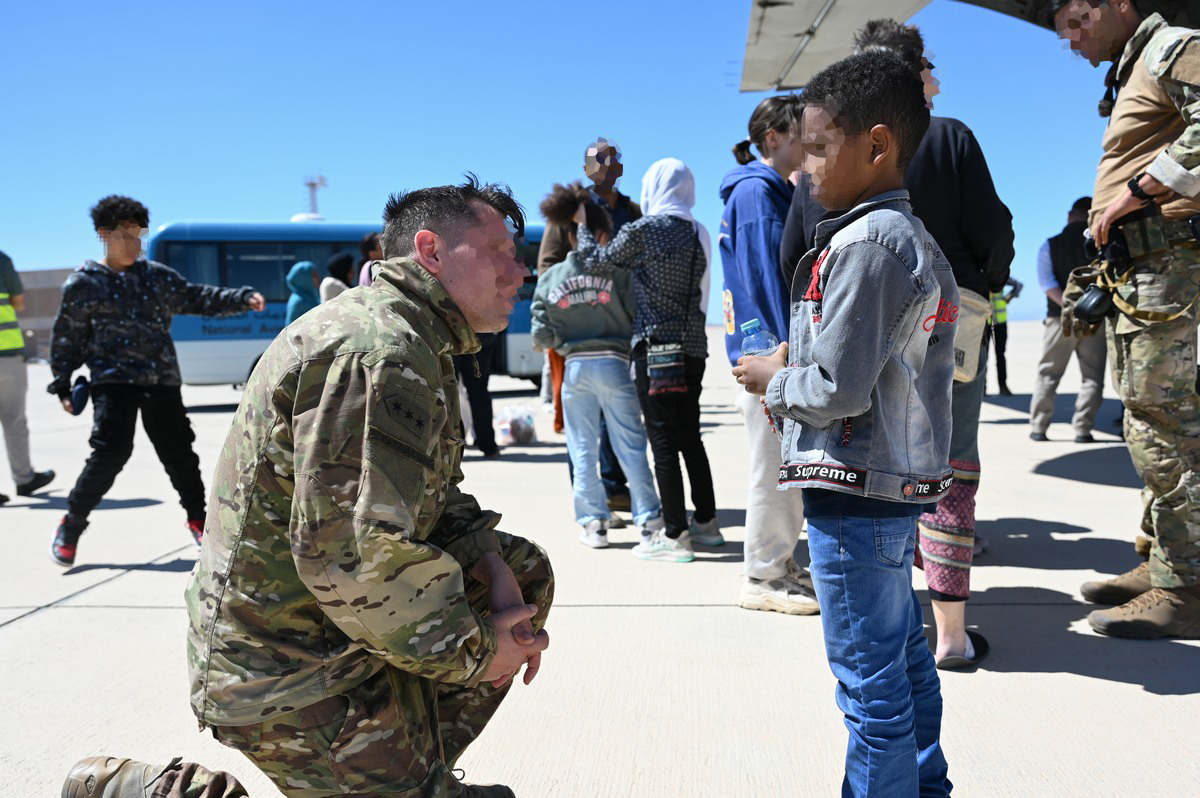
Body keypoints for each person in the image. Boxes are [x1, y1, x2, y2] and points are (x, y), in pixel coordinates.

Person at [163, 177, 550, 798]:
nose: (520, 272)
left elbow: (429, 499)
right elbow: (350, 558)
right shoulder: (379, 353)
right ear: (431, 250)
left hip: (331, 624)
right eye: (502, 252)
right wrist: (478, 653)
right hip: (283, 661)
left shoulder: (416, 338)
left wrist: (486, 560)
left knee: (520, 571)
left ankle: (411, 776)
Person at [735, 49, 956, 797]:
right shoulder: (893, 237)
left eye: (820, 149)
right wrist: (793, 351)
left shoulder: (866, 245)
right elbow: (863, 356)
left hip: (854, 494)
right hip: (885, 492)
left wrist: (774, 377)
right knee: (901, 666)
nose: (804, 171)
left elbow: (836, 388)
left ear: (878, 145)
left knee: (870, 691)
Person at [781, 18, 1015, 669]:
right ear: (916, 74)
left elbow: (794, 250)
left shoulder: (828, 155)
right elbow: (995, 232)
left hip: (845, 325)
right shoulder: (951, 138)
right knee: (950, 469)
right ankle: (951, 632)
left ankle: (891, 618)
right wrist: (983, 284)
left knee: (864, 475)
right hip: (950, 321)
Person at [1050, 0, 1200, 638]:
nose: (1074, 40)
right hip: (1141, 270)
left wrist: (1138, 191)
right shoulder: (1135, 67)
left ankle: (1185, 586)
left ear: (1118, 4)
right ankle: (1158, 557)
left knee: (1160, 424)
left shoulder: (1171, 47)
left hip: (1166, 265)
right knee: (1151, 418)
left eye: (1079, 22)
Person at [47, 195, 265, 567]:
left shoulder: (156, 277)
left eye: (139, 236)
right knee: (111, 452)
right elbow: (67, 336)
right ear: (103, 234)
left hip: (161, 380)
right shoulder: (84, 284)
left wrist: (242, 297)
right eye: (125, 237)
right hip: (112, 382)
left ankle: (200, 522)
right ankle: (72, 523)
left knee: (179, 453)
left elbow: (197, 296)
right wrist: (63, 385)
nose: (134, 245)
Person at [572, 158, 721, 563]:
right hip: (693, 349)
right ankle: (706, 523)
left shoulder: (643, 229)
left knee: (663, 443)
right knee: (690, 437)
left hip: (655, 348)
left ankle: (674, 536)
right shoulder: (699, 231)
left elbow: (595, 263)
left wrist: (584, 226)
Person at [718, 95, 818, 614]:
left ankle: (778, 563)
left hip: (768, 351)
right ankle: (762, 577)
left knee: (786, 470)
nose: (812, 141)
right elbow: (769, 278)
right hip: (769, 352)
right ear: (773, 138)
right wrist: (789, 353)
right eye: (802, 132)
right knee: (776, 471)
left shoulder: (769, 191)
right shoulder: (758, 194)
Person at [532, 182, 663, 548]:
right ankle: (650, 524)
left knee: (582, 448)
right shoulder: (618, 273)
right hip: (615, 363)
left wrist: (564, 341)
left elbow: (540, 334)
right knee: (630, 446)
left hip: (574, 368)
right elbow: (638, 315)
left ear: (570, 236)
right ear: (601, 233)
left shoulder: (552, 278)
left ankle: (594, 525)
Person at [538, 138, 641, 517]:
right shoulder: (568, 210)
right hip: (577, 328)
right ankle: (589, 501)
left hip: (619, 327)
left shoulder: (632, 210)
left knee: (619, 412)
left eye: (613, 159)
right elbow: (547, 266)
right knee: (580, 422)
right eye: (598, 160)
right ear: (586, 169)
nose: (606, 165)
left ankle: (615, 489)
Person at [1029, 196, 1107, 443]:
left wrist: (1069, 306)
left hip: (1058, 321)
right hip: (1094, 321)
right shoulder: (1101, 245)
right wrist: (1087, 308)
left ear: (1070, 215)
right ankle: (1083, 430)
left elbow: (1047, 284)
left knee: (1048, 375)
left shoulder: (1050, 245)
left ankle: (1039, 427)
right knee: (1092, 377)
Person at [0, 248, 54, 506]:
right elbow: (19, 303)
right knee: (13, 420)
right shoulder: (1, 260)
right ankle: (23, 478)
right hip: (6, 355)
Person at [453, 332, 501, 457]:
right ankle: (488, 444)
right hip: (480, 334)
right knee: (479, 392)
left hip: (449, 335)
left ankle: (451, 448)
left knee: (449, 393)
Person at [989, 276, 1023, 396]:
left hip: (1000, 322)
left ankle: (1003, 386)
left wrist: (1009, 297)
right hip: (984, 322)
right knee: (982, 356)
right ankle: (982, 388)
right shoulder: (980, 275)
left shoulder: (1001, 275)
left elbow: (1019, 285)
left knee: (1000, 356)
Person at [283, 260, 319, 325]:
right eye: (314, 275)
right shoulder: (297, 302)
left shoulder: (312, 296)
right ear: (303, 278)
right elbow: (290, 329)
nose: (318, 278)